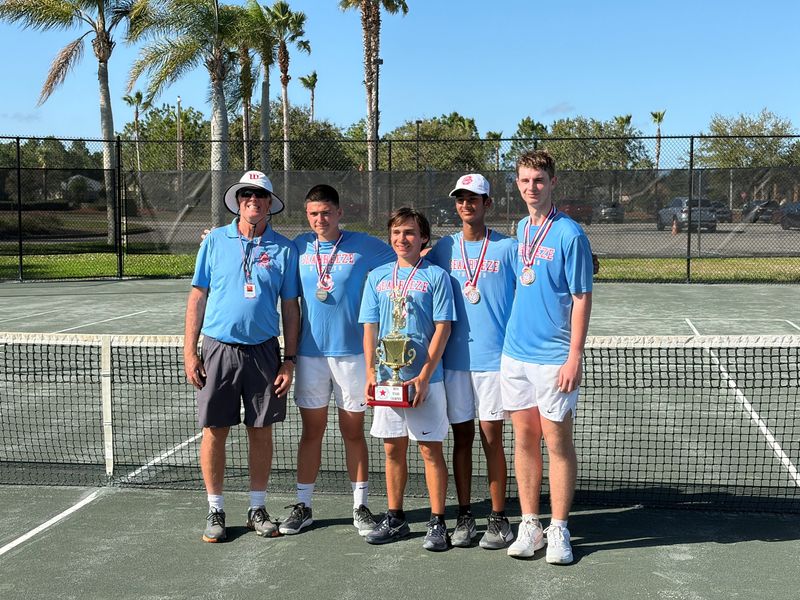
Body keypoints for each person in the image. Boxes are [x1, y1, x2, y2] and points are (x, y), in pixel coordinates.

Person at [184, 170, 300, 543]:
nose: (253, 199)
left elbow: (291, 308)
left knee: (260, 430)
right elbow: (197, 296)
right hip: (217, 348)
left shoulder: (284, 249)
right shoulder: (215, 241)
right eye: (246, 194)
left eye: (260, 195)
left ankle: (257, 508)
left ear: (269, 204)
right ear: (238, 201)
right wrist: (190, 351)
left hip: (265, 351)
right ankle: (216, 509)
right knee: (214, 431)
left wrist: (289, 359)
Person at [278, 184, 395, 536]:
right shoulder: (298, 246)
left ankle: (360, 506)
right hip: (311, 356)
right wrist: (291, 355)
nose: (320, 220)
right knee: (311, 432)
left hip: (353, 356)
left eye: (326, 213)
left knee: (352, 432)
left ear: (340, 213)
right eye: (313, 214)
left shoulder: (366, 247)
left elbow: (405, 257)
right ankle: (304, 505)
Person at [501, 150, 593, 564]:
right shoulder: (521, 227)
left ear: (552, 183)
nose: (531, 187)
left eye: (538, 180)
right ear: (517, 184)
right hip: (515, 355)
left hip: (554, 357)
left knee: (557, 442)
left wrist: (574, 356)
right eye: (524, 180)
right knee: (524, 440)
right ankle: (530, 524)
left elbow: (581, 297)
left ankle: (559, 529)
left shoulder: (570, 234)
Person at [426, 174, 518, 549]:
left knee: (492, 438)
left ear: (487, 204)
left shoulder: (508, 248)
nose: (467, 204)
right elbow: (406, 260)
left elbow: (540, 267)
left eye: (474, 199)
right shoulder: (442, 250)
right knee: (461, 439)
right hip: (454, 363)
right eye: (461, 199)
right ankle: (464, 515)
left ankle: (498, 518)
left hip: (496, 362)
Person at [359, 207, 455, 551]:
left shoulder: (436, 277)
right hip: (387, 378)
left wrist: (426, 375)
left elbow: (443, 327)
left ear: (424, 238)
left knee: (430, 450)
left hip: (425, 380)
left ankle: (438, 522)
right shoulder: (377, 277)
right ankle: (396, 518)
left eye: (411, 233)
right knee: (391, 449)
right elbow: (370, 327)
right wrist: (371, 371)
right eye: (397, 232)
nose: (403, 239)